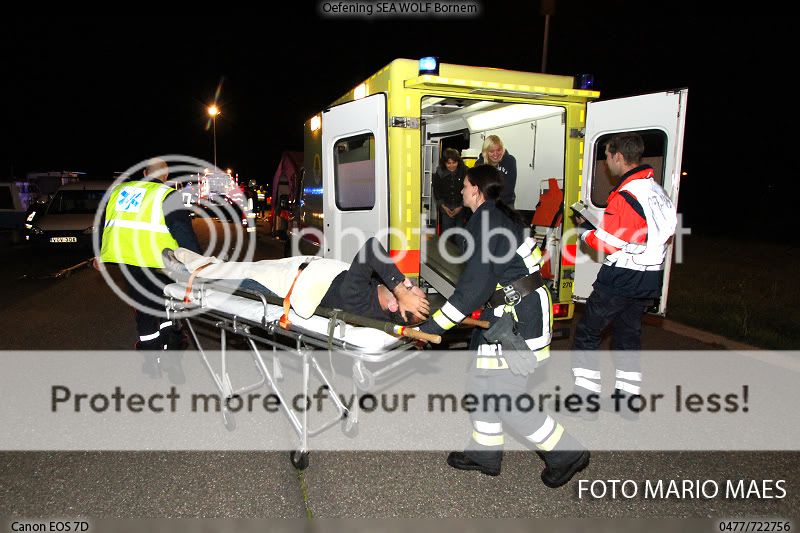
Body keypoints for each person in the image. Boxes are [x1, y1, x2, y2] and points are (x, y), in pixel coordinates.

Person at [418, 164, 589, 489]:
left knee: (506, 396)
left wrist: (434, 327)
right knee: (482, 382)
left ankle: (566, 453)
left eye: (466, 185)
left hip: (518, 317)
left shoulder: (486, 220)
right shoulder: (496, 216)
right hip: (509, 312)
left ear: (477, 190)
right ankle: (485, 452)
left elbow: (474, 288)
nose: (462, 191)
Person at [570, 132, 676, 420]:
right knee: (628, 335)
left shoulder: (626, 195)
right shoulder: (656, 190)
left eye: (606, 156)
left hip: (621, 276)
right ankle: (627, 403)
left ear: (618, 156)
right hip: (649, 276)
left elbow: (608, 243)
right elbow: (661, 233)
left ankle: (585, 403)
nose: (606, 163)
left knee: (588, 333)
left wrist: (585, 231)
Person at [168, 236, 430, 324]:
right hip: (300, 270)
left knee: (231, 274)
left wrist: (398, 285)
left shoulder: (359, 297)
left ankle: (183, 272)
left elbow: (372, 248)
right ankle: (199, 264)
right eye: (412, 286)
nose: (409, 283)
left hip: (282, 282)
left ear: (395, 305)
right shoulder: (376, 300)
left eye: (411, 291)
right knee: (235, 268)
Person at [94, 158, 201, 352]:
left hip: (127, 260)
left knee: (143, 306)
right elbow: (183, 232)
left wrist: (99, 254)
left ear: (145, 173)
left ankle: (151, 352)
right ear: (166, 176)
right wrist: (198, 263)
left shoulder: (119, 192)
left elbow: (105, 224)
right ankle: (172, 342)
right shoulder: (166, 195)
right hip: (159, 264)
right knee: (166, 303)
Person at [432, 148, 467, 248]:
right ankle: (446, 259)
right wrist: (444, 207)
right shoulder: (439, 172)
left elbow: (469, 190)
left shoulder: (465, 171)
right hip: (446, 208)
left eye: (454, 162)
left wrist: (461, 206)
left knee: (460, 236)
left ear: (458, 161)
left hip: (461, 207)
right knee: (446, 235)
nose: (451, 165)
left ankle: (461, 257)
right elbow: (437, 190)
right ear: (444, 163)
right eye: (449, 163)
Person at [475, 135, 517, 208]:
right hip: (485, 205)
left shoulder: (510, 161)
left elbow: (509, 188)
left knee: (506, 219)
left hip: (506, 204)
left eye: (498, 150)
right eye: (491, 151)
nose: (496, 154)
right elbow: (479, 187)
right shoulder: (479, 164)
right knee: (485, 219)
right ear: (486, 152)